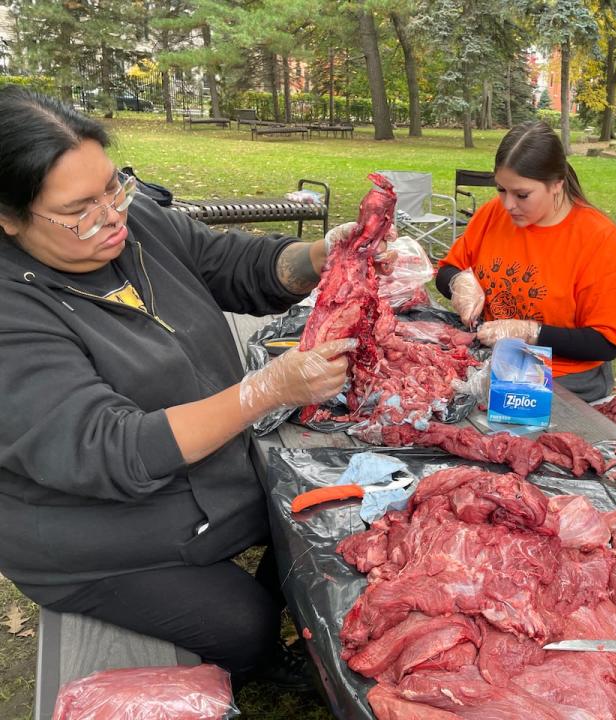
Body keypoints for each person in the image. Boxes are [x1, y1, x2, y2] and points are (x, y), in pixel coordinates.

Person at [0, 87, 384, 691]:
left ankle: (280, 588)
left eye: (114, 187)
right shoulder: (12, 312)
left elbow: (234, 264)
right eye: (80, 210)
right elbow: (110, 447)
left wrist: (325, 254)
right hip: (94, 531)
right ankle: (261, 659)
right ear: (8, 216)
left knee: (325, 520)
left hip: (205, 478)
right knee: (245, 624)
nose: (112, 216)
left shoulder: (134, 224)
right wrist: (264, 391)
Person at [435, 120, 616, 402]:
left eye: (522, 195)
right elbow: (446, 270)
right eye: (501, 189)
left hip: (564, 379)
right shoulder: (494, 215)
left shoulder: (597, 238)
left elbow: (605, 343)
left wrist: (531, 332)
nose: (508, 205)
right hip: (490, 360)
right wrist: (459, 282)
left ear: (556, 185)